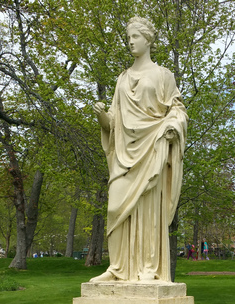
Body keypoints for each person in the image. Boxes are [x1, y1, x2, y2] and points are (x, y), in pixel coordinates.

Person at [90, 16, 187, 283]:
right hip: (124, 154)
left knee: (148, 212)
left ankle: (148, 268)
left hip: (152, 148)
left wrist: (172, 127)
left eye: (135, 37)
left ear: (148, 40)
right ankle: (117, 268)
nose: (130, 42)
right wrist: (101, 116)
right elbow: (113, 123)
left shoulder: (163, 75)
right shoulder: (122, 79)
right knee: (114, 209)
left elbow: (178, 111)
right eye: (129, 37)